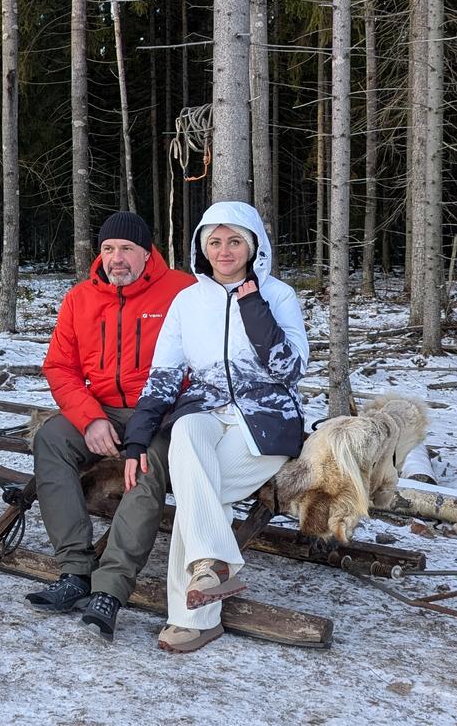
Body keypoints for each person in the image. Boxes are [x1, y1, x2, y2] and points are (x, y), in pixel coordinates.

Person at [121, 200, 308, 654]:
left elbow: (290, 369)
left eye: (235, 241)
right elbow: (164, 376)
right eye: (215, 242)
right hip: (207, 412)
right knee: (185, 432)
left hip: (266, 424)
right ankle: (216, 567)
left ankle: (194, 616)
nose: (225, 251)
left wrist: (253, 306)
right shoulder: (188, 300)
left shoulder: (278, 295)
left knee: (194, 499)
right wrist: (136, 440)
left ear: (253, 246)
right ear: (202, 247)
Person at [25, 212, 194, 640]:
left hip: (158, 413)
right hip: (98, 408)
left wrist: (155, 417)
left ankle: (111, 589)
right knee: (50, 440)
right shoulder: (80, 298)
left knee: (145, 468)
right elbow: (59, 367)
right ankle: (76, 569)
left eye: (126, 250)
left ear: (146, 252)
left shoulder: (182, 291)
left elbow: (200, 361)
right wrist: (90, 417)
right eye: (108, 249)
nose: (116, 259)